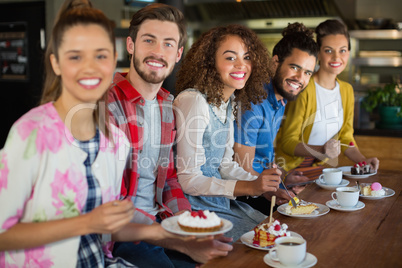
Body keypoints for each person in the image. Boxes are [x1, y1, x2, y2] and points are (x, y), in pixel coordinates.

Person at [0, 1, 192, 267]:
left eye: (100, 55)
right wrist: (87, 223)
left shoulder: (114, 141)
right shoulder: (30, 132)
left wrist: (177, 231)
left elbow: (111, 223)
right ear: (56, 62)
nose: (90, 67)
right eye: (76, 56)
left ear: (113, 61)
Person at [107, 3, 233, 267]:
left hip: (162, 222)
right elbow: (112, 206)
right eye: (149, 40)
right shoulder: (108, 103)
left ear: (178, 54)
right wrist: (178, 240)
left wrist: (190, 226)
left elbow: (170, 179)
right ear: (130, 45)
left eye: (167, 44)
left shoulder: (167, 104)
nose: (157, 51)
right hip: (123, 236)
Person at [173, 24, 282, 242]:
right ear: (209, 62)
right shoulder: (194, 100)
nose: (242, 65)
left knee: (273, 232)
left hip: (219, 203)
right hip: (194, 209)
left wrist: (261, 184)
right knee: (263, 241)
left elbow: (224, 165)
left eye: (247, 57)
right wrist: (251, 186)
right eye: (231, 58)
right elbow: (188, 179)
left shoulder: (229, 101)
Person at [275, 19, 379, 179]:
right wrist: (322, 149)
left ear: (349, 53)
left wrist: (363, 161)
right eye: (329, 50)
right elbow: (288, 142)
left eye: (343, 50)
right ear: (318, 53)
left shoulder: (346, 90)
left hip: (318, 169)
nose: (337, 57)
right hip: (288, 171)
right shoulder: (303, 88)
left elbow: (346, 137)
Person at [233, 23, 319, 213]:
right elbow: (243, 169)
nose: (300, 78)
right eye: (295, 67)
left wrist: (284, 178)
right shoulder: (254, 103)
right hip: (243, 197)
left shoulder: (280, 99)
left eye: (307, 72)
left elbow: (263, 157)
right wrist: (272, 189)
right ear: (275, 62)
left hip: (261, 187)